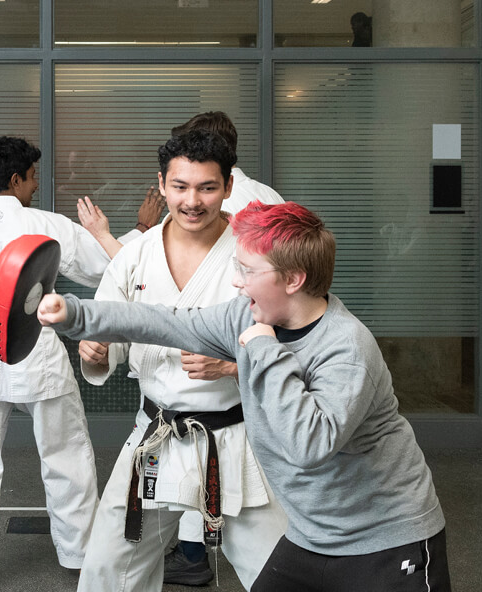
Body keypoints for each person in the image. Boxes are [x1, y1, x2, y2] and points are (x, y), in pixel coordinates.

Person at [37, 201, 452, 592]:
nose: (237, 280)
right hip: (311, 535)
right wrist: (76, 314)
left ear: (293, 279)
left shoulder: (345, 348)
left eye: (248, 270)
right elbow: (163, 320)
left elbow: (308, 444)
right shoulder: (246, 313)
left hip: (387, 538)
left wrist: (261, 348)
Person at [72, 131, 287, 592]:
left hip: (234, 435)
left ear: (229, 186)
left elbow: (296, 342)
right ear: (162, 185)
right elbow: (112, 329)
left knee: (277, 569)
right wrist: (101, 349)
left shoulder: (259, 255)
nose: (193, 201)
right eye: (180, 187)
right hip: (156, 435)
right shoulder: (136, 257)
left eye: (207, 187)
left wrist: (233, 366)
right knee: (110, 567)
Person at [0, 136, 108, 572]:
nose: (36, 185)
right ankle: (80, 557)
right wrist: (134, 231)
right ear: (16, 178)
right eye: (33, 176)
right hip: (39, 357)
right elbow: (101, 267)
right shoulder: (48, 224)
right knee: (67, 459)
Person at [165, 110, 286, 585]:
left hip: (236, 354)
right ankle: (204, 552)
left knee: (223, 470)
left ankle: (198, 556)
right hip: (241, 352)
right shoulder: (270, 196)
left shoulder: (245, 208)